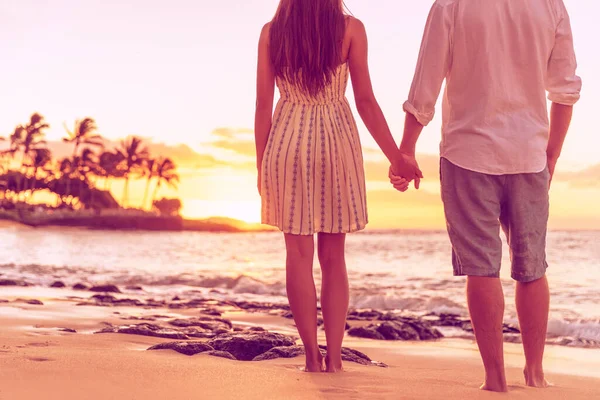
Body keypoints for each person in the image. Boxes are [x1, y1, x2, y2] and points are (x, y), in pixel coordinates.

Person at [390, 0, 581, 392]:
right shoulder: (550, 6)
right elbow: (565, 91)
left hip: (466, 154)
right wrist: (551, 155)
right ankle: (535, 372)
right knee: (532, 268)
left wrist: (406, 150)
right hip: (528, 155)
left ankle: (495, 378)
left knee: (481, 267)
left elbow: (425, 83)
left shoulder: (452, 5)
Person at [254, 0, 415, 373]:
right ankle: (336, 358)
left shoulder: (271, 33)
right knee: (333, 257)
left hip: (286, 143)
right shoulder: (351, 29)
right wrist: (397, 157)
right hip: (335, 141)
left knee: (297, 256)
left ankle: (311, 357)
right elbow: (366, 102)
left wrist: (262, 166)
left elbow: (263, 105)